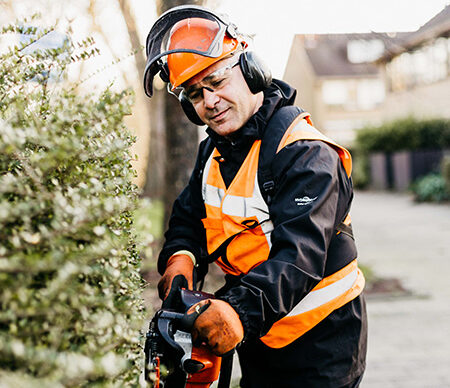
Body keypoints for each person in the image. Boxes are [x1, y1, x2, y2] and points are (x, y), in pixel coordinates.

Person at [143, 5, 367, 388]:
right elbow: (188, 218)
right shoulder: (214, 152)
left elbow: (299, 256)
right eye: (195, 94)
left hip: (322, 344)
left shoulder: (307, 154)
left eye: (216, 81)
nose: (209, 101)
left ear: (250, 70)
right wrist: (181, 259)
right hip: (259, 335)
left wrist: (235, 310)